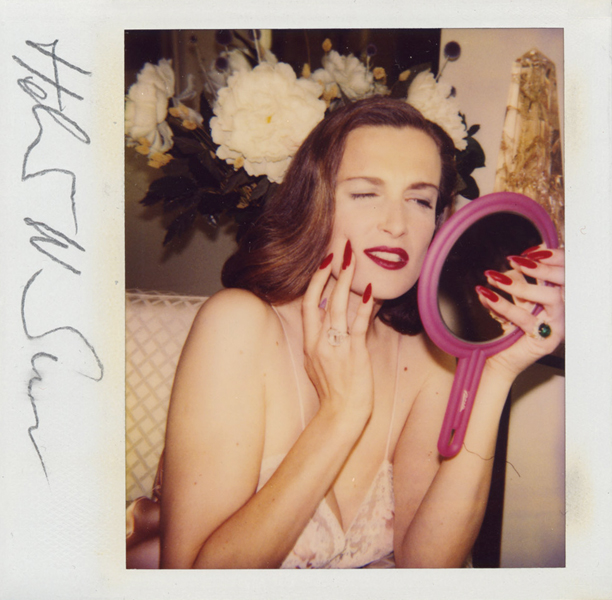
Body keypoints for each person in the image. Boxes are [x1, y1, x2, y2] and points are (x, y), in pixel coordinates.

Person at [157, 96, 565, 569]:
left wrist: (498, 373)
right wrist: (341, 416)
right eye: (366, 194)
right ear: (315, 204)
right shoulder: (238, 326)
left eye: (420, 200)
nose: (397, 225)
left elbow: (428, 569)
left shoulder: (428, 357)